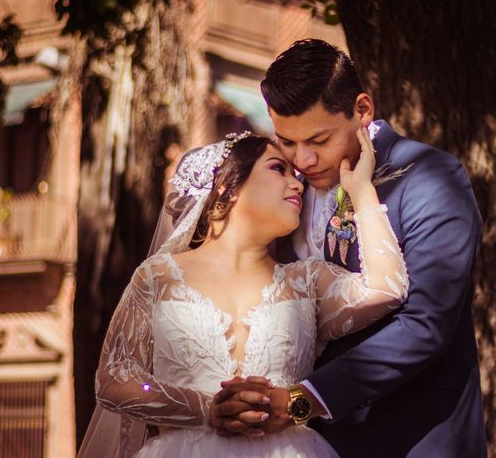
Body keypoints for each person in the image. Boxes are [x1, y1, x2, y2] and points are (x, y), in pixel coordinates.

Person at [210, 39, 488, 457]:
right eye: (286, 141)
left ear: (362, 110)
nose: (302, 159)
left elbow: (426, 325)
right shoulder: (284, 190)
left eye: (319, 139)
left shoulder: (430, 178)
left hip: (412, 439)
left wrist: (303, 401)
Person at [77, 126, 410, 457]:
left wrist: (362, 191)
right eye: (278, 168)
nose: (297, 183)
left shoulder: (306, 280)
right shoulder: (158, 277)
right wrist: (205, 409)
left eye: (295, 175)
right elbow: (115, 380)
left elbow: (388, 287)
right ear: (227, 186)